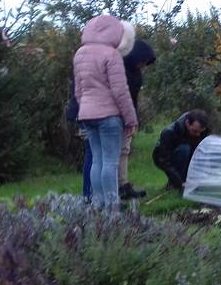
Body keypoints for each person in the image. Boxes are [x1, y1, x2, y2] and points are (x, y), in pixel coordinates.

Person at [73, 15, 137, 211]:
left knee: (97, 161)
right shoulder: (111, 54)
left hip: (87, 114)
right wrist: (130, 119)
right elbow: (120, 91)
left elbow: (78, 90)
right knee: (110, 163)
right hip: (109, 116)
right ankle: (112, 209)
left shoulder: (80, 53)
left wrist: (85, 108)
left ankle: (97, 205)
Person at [118, 38, 157, 199]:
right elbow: (124, 96)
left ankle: (123, 184)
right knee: (117, 152)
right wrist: (129, 117)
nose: (144, 65)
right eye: (143, 61)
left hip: (128, 114)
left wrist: (133, 117)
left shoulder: (135, 72)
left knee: (125, 150)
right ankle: (118, 187)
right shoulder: (122, 70)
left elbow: (133, 98)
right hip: (118, 115)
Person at [152, 110, 210, 190]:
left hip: (187, 152)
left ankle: (191, 181)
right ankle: (174, 183)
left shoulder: (202, 130)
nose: (198, 134)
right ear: (187, 123)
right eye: (195, 131)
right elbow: (164, 161)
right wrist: (179, 183)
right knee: (184, 149)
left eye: (200, 132)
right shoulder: (169, 133)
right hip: (163, 157)